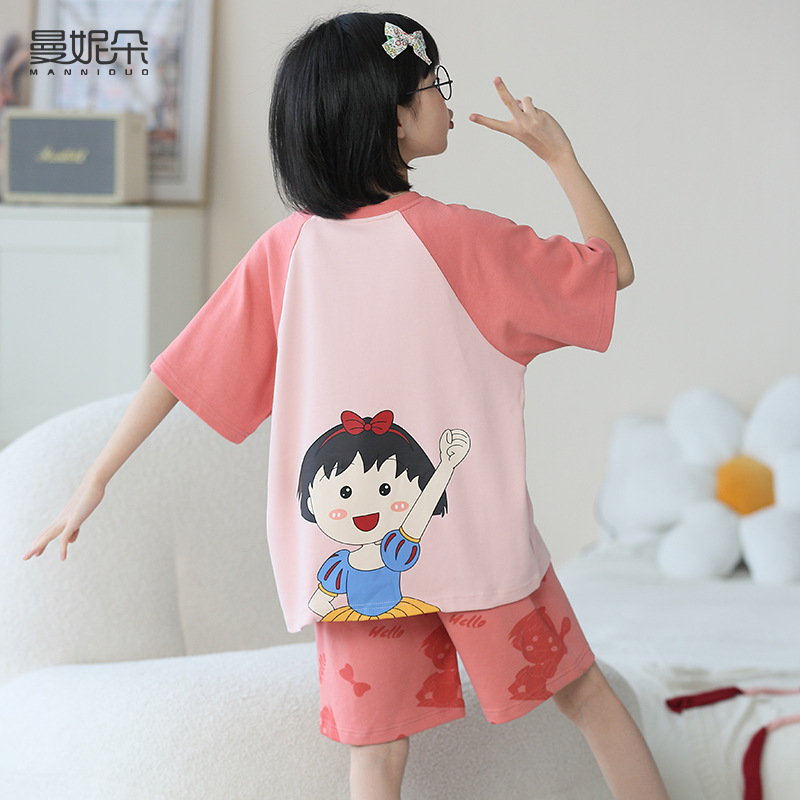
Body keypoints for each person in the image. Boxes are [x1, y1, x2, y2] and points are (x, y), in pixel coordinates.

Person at [24, 12, 668, 800]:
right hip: (479, 546)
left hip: (349, 568)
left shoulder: (286, 252)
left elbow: (177, 372)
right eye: (433, 86)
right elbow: (613, 269)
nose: (444, 102)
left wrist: (95, 479)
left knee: (376, 756)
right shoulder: (461, 239)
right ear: (392, 114)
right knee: (587, 698)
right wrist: (558, 155)